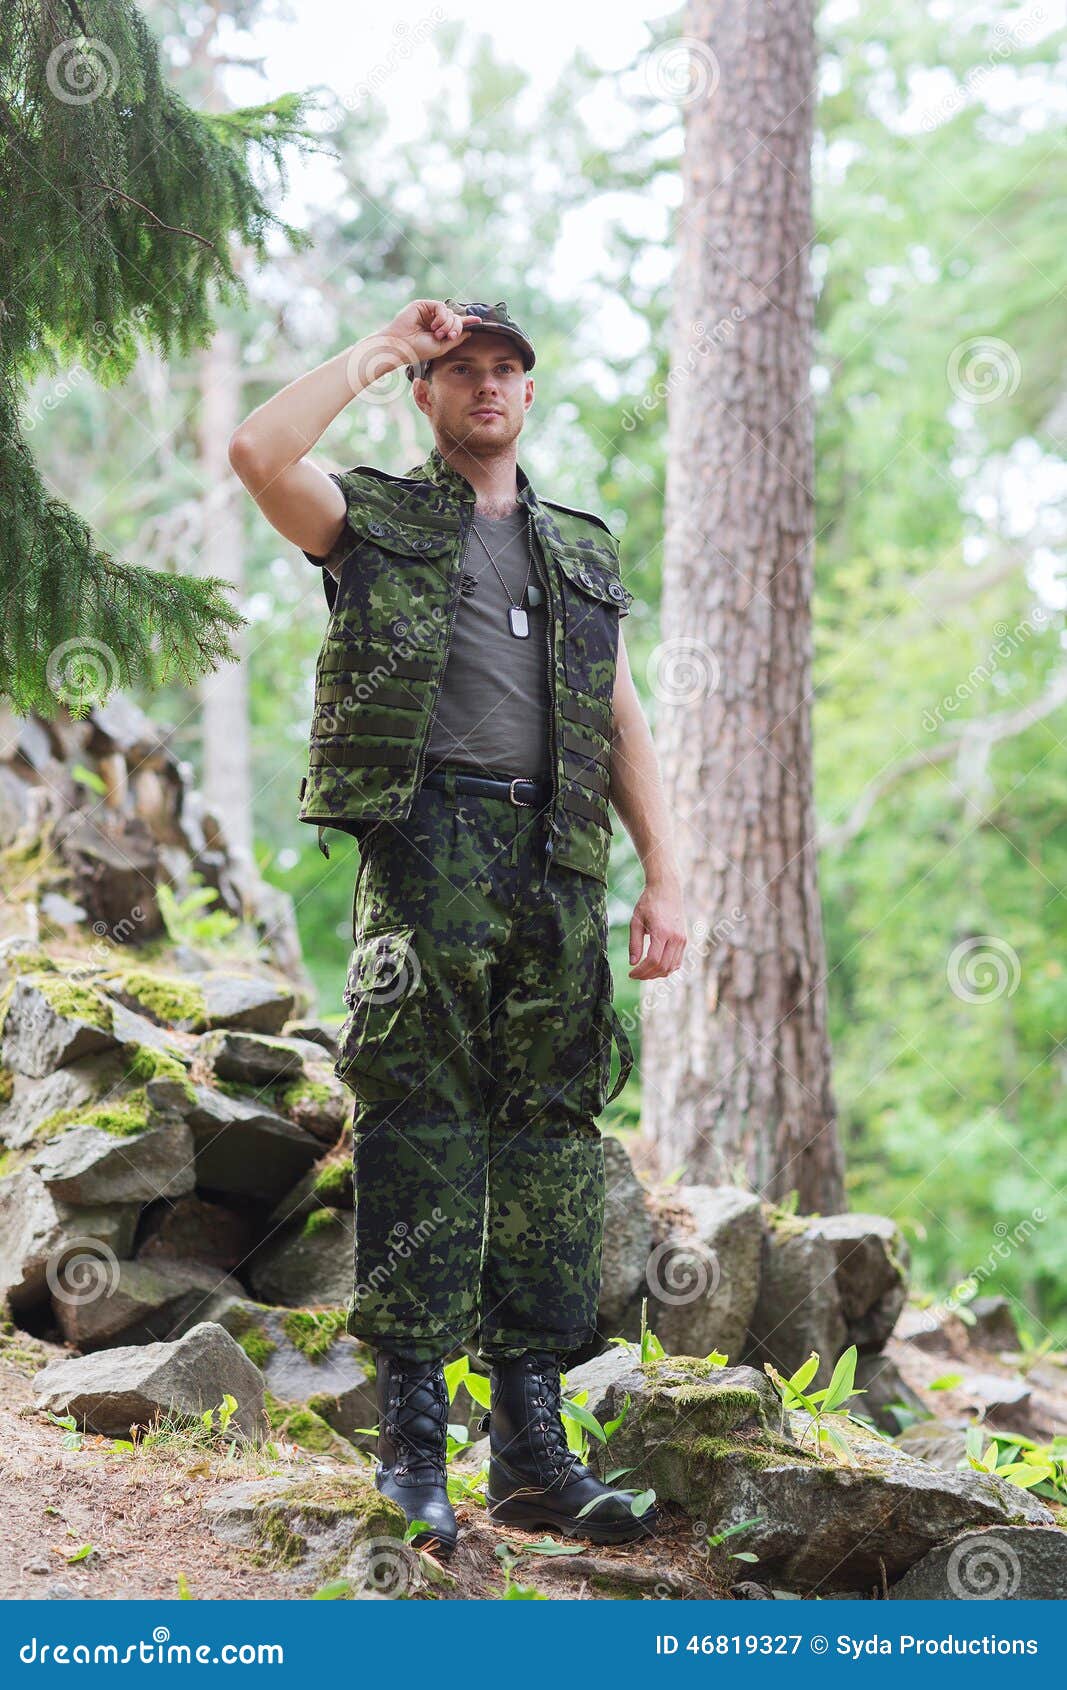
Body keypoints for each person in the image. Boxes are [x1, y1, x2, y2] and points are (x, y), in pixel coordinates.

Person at [229, 297, 686, 1559]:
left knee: (548, 1138)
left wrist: (666, 873)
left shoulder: (578, 550)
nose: (486, 386)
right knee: (419, 1130)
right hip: (427, 848)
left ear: (528, 397)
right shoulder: (370, 518)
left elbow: (619, 716)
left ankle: (534, 1453)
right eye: (458, 370)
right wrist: (379, 346)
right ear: (426, 396)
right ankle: (416, 1449)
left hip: (556, 862)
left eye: (505, 370)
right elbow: (257, 455)